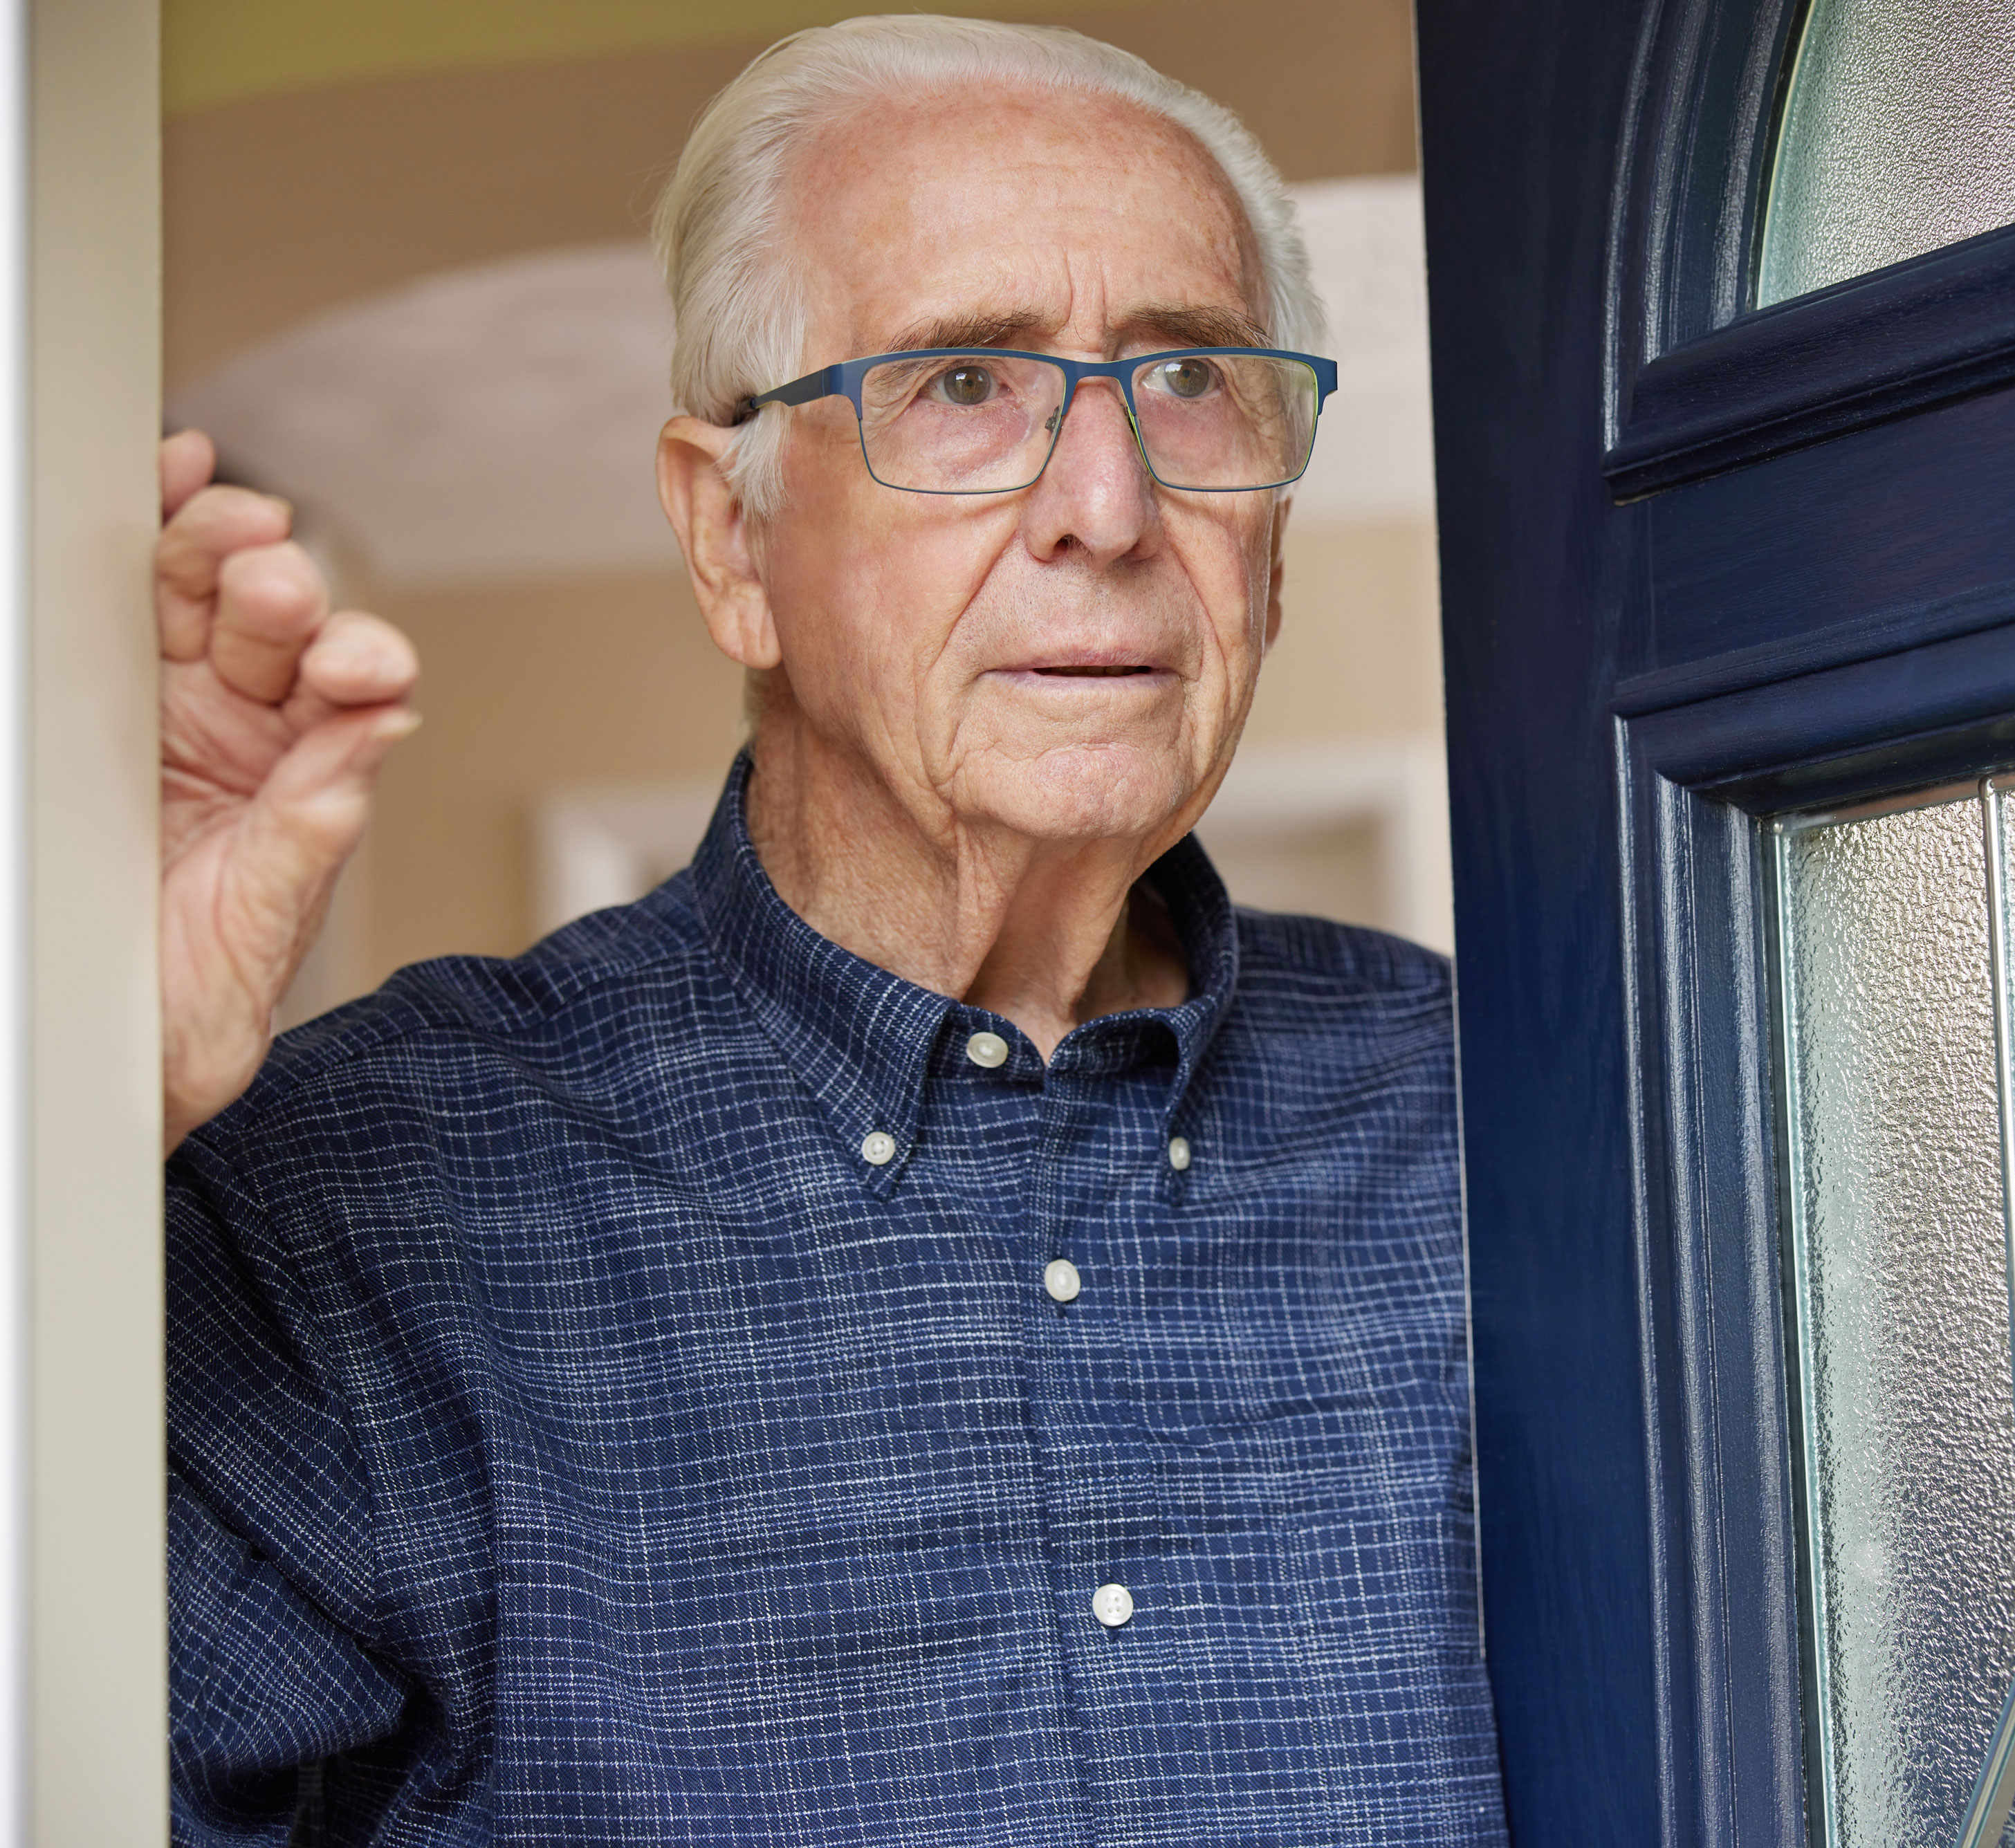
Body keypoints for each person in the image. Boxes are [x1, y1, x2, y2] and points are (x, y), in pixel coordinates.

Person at [161, 17, 1504, 1842]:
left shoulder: (1502, 1113)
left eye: (1188, 374)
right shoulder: (340, 1193)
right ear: (731, 538)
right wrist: (59, 1115)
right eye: (964, 383)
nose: (1107, 510)